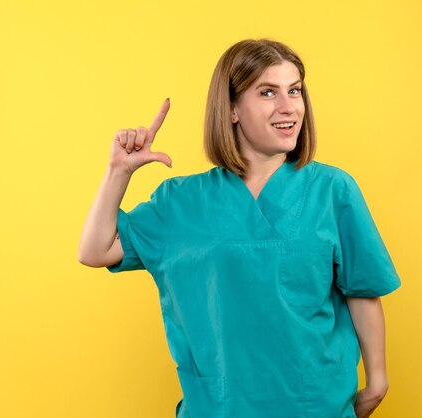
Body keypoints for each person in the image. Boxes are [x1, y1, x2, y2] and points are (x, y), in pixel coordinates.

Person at [78, 38, 402, 418]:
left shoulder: (333, 190)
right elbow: (95, 250)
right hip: (219, 407)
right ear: (231, 109)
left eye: (294, 91)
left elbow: (361, 289)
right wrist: (119, 171)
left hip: (315, 407)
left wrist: (377, 380)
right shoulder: (179, 201)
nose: (288, 107)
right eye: (268, 92)